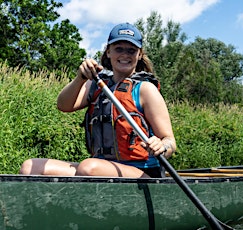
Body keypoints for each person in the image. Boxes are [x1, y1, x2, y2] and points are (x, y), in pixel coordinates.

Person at [20, 22, 176, 178]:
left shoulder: (145, 89)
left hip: (143, 171)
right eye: (118, 49)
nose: (125, 55)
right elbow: (63, 105)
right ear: (108, 52)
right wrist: (80, 79)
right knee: (30, 168)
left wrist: (161, 145)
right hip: (99, 167)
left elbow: (170, 141)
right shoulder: (97, 85)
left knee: (88, 167)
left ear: (139, 54)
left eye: (131, 50)